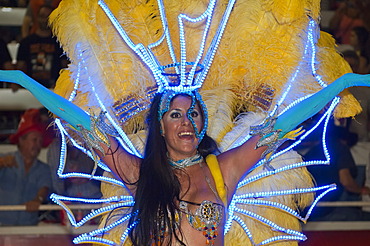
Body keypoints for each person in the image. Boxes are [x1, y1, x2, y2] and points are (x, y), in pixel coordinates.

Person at [1, 0, 370, 245]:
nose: (187, 122)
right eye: (175, 114)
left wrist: (342, 84)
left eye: (193, 113)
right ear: (160, 126)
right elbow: (80, 121)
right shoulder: (138, 174)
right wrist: (24, 83)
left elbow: (283, 123)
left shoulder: (222, 171)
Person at [0, 108, 52, 226]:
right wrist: (1, 162)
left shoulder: (43, 169)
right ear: (21, 140)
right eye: (34, 140)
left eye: (40, 141)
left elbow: (44, 188)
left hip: (28, 227)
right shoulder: (5, 159)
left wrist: (37, 200)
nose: (38, 145)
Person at [17, 4, 67, 89]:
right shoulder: (26, 42)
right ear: (37, 18)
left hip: (53, 89)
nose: (45, 20)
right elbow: (20, 67)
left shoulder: (60, 42)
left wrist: (60, 85)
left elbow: (65, 67)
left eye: (48, 17)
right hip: (30, 89)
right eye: (42, 16)